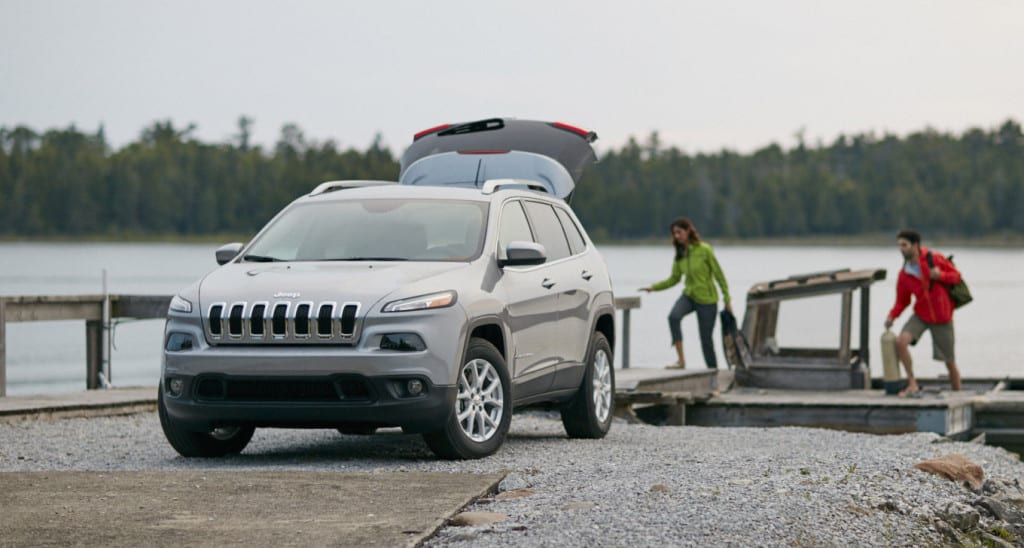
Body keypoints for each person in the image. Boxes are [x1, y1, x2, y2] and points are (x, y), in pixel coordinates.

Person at [640, 217, 732, 369]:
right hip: (689, 296)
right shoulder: (680, 255)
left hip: (707, 300)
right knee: (673, 317)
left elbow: (719, 275)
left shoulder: (704, 250)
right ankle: (681, 361)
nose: (676, 236)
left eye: (679, 232)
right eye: (674, 233)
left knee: (706, 340)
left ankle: (713, 373)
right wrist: (654, 288)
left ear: (688, 231)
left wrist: (727, 299)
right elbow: (674, 279)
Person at [884, 229, 962, 395]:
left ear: (915, 245)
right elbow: (902, 301)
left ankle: (958, 393)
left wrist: (940, 275)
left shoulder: (934, 259)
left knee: (949, 361)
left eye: (904, 245)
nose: (901, 249)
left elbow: (956, 276)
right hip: (921, 314)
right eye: (899, 245)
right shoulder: (904, 274)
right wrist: (892, 315)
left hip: (942, 316)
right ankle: (912, 383)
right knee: (901, 342)